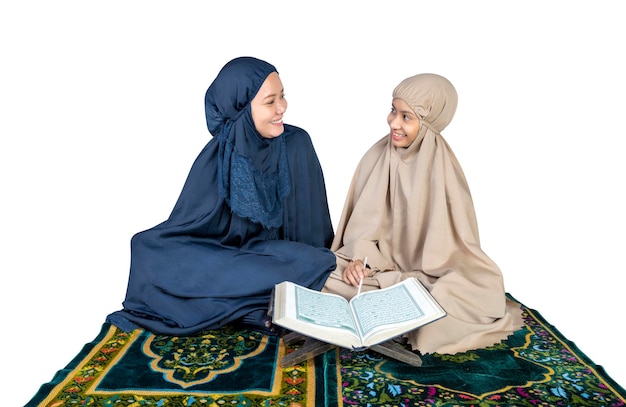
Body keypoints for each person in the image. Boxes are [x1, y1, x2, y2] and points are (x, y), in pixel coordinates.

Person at [107, 56, 336, 336]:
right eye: (270, 101)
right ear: (239, 108)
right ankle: (254, 308)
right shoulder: (220, 152)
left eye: (283, 96)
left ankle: (248, 305)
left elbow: (312, 228)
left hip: (276, 257)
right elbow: (189, 227)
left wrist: (312, 263)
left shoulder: (297, 143)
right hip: (230, 259)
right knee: (146, 249)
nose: (282, 108)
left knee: (309, 261)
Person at [323, 73, 524, 354]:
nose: (393, 122)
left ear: (430, 122)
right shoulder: (376, 156)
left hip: (428, 277)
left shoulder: (444, 173)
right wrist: (360, 262)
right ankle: (397, 306)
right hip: (378, 271)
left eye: (407, 117)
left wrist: (404, 276)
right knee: (324, 273)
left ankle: (403, 307)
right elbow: (362, 230)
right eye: (394, 111)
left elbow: (455, 254)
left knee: (466, 293)